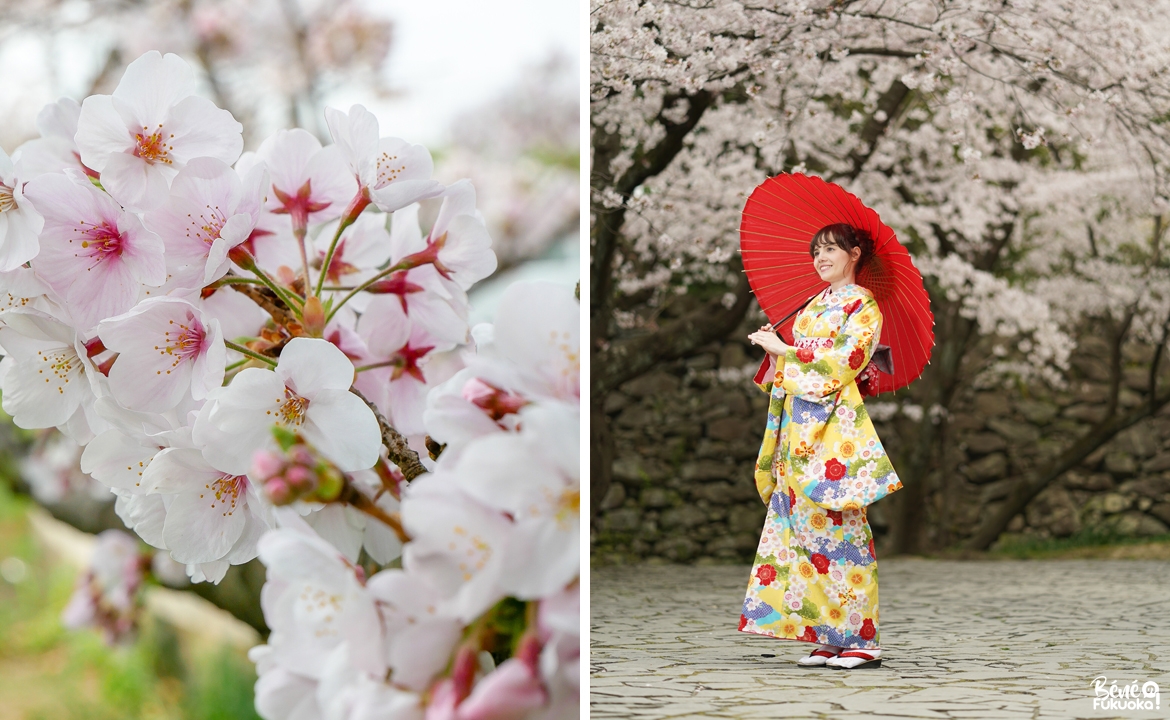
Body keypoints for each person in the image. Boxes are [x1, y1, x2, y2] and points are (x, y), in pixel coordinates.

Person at [739, 223, 903, 669]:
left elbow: (842, 364)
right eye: (816, 251)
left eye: (830, 249)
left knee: (844, 532)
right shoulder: (812, 307)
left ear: (854, 253)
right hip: (797, 429)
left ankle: (863, 639)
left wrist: (785, 351)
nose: (821, 257)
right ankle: (828, 633)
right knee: (806, 533)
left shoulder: (862, 305)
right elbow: (794, 365)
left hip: (833, 436)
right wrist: (775, 350)